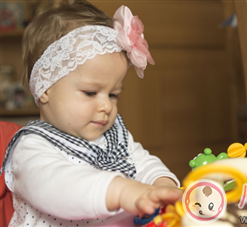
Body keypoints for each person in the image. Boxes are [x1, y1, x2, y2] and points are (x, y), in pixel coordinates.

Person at [0, 1, 182, 226]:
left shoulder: (112, 134)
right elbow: (62, 187)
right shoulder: (30, 148)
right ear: (45, 87)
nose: (106, 106)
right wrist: (122, 191)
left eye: (113, 94)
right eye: (90, 92)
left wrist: (162, 185)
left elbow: (142, 162)